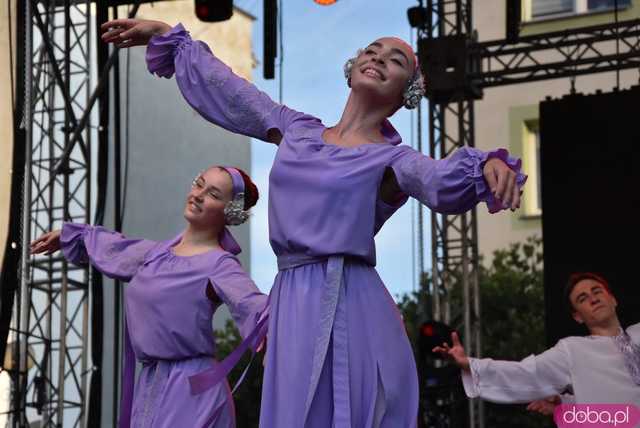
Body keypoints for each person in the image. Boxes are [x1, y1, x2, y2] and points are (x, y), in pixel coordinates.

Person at [101, 19, 527, 427]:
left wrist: (486, 165)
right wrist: (172, 40)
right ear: (354, 67)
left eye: (395, 60)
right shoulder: (297, 129)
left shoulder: (393, 159)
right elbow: (231, 92)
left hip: (351, 298)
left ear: (408, 92)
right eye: (372, 51)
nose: (378, 58)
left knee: (357, 409)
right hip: (293, 299)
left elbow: (437, 179)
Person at [30, 166, 268, 428]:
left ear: (229, 212)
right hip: (150, 386)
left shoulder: (219, 265)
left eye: (212, 193)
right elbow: (117, 248)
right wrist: (69, 236)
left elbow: (253, 305)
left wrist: (276, 334)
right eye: (198, 184)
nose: (198, 195)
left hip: (192, 392)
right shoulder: (155, 255)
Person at [434, 272, 640, 406]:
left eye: (597, 291)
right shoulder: (572, 351)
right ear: (577, 316)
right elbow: (525, 373)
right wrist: (469, 364)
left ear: (613, 299)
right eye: (582, 298)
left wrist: (566, 405)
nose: (593, 299)